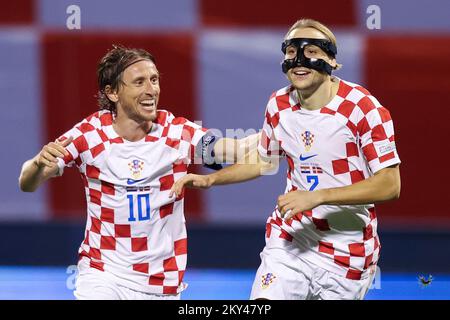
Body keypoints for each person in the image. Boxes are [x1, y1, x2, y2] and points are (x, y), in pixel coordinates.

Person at [170, 18, 401, 300]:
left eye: (311, 51)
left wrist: (318, 196)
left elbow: (390, 185)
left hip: (347, 253)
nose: (299, 59)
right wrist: (211, 179)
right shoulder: (279, 105)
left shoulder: (363, 109)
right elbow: (265, 161)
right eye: (291, 52)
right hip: (291, 240)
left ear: (331, 59)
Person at [18, 45, 256, 300]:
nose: (151, 90)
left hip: (161, 285)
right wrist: (38, 164)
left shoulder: (176, 133)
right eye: (139, 82)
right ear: (112, 93)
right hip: (103, 275)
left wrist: (279, 133)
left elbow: (238, 149)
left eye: (154, 80)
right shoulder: (90, 134)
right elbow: (28, 182)